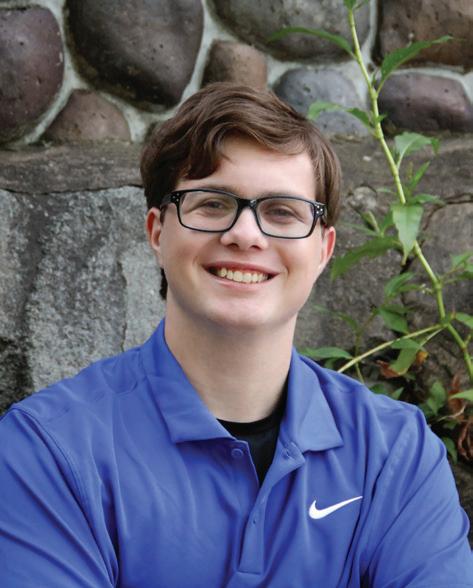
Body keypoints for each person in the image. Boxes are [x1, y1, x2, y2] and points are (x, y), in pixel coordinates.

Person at [0, 83, 471, 588]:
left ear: (323, 250)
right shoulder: (48, 450)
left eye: (282, 211)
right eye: (212, 203)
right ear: (157, 232)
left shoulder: (396, 453)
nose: (245, 234)